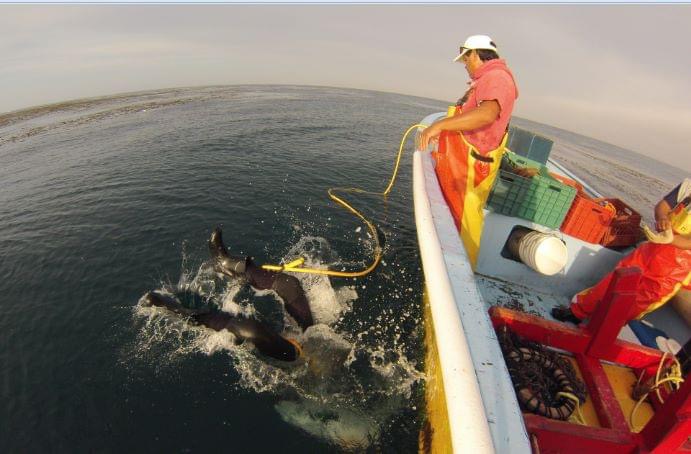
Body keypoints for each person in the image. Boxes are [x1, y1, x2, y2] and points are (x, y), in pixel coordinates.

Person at [552, 179, 691, 324]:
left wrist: (671, 240)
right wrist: (662, 219)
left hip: (677, 266)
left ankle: (607, 325)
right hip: (653, 247)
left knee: (642, 299)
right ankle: (577, 312)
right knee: (617, 278)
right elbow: (662, 207)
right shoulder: (688, 186)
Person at [418, 34, 519, 154]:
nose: (465, 66)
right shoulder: (489, 78)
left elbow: (486, 114)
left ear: (475, 54)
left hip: (470, 168)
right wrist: (445, 131)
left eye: (466, 60)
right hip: (460, 160)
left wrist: (438, 126)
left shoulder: (497, 77)